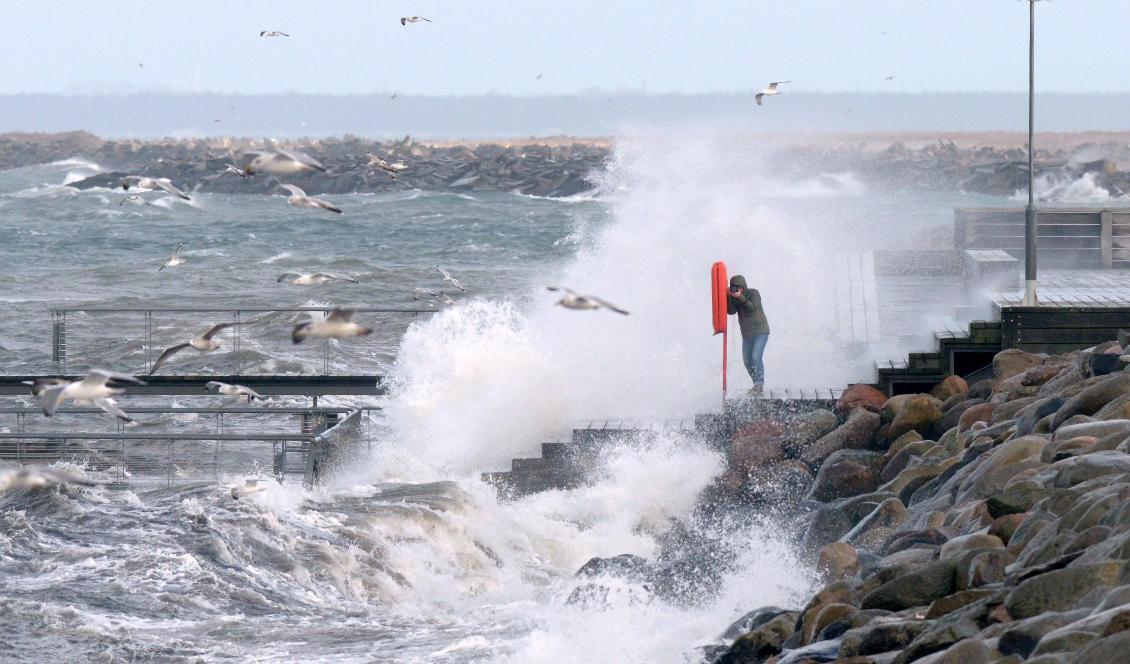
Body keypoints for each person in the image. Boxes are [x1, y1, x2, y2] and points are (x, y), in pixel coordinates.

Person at [727, 274, 770, 395]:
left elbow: (752, 308)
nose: (737, 290)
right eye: (734, 288)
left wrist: (740, 297)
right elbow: (730, 311)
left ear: (743, 287)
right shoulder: (735, 298)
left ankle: (759, 385)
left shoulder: (753, 293)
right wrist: (729, 297)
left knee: (756, 357)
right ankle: (756, 384)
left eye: (739, 287)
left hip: (761, 332)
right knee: (747, 362)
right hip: (747, 335)